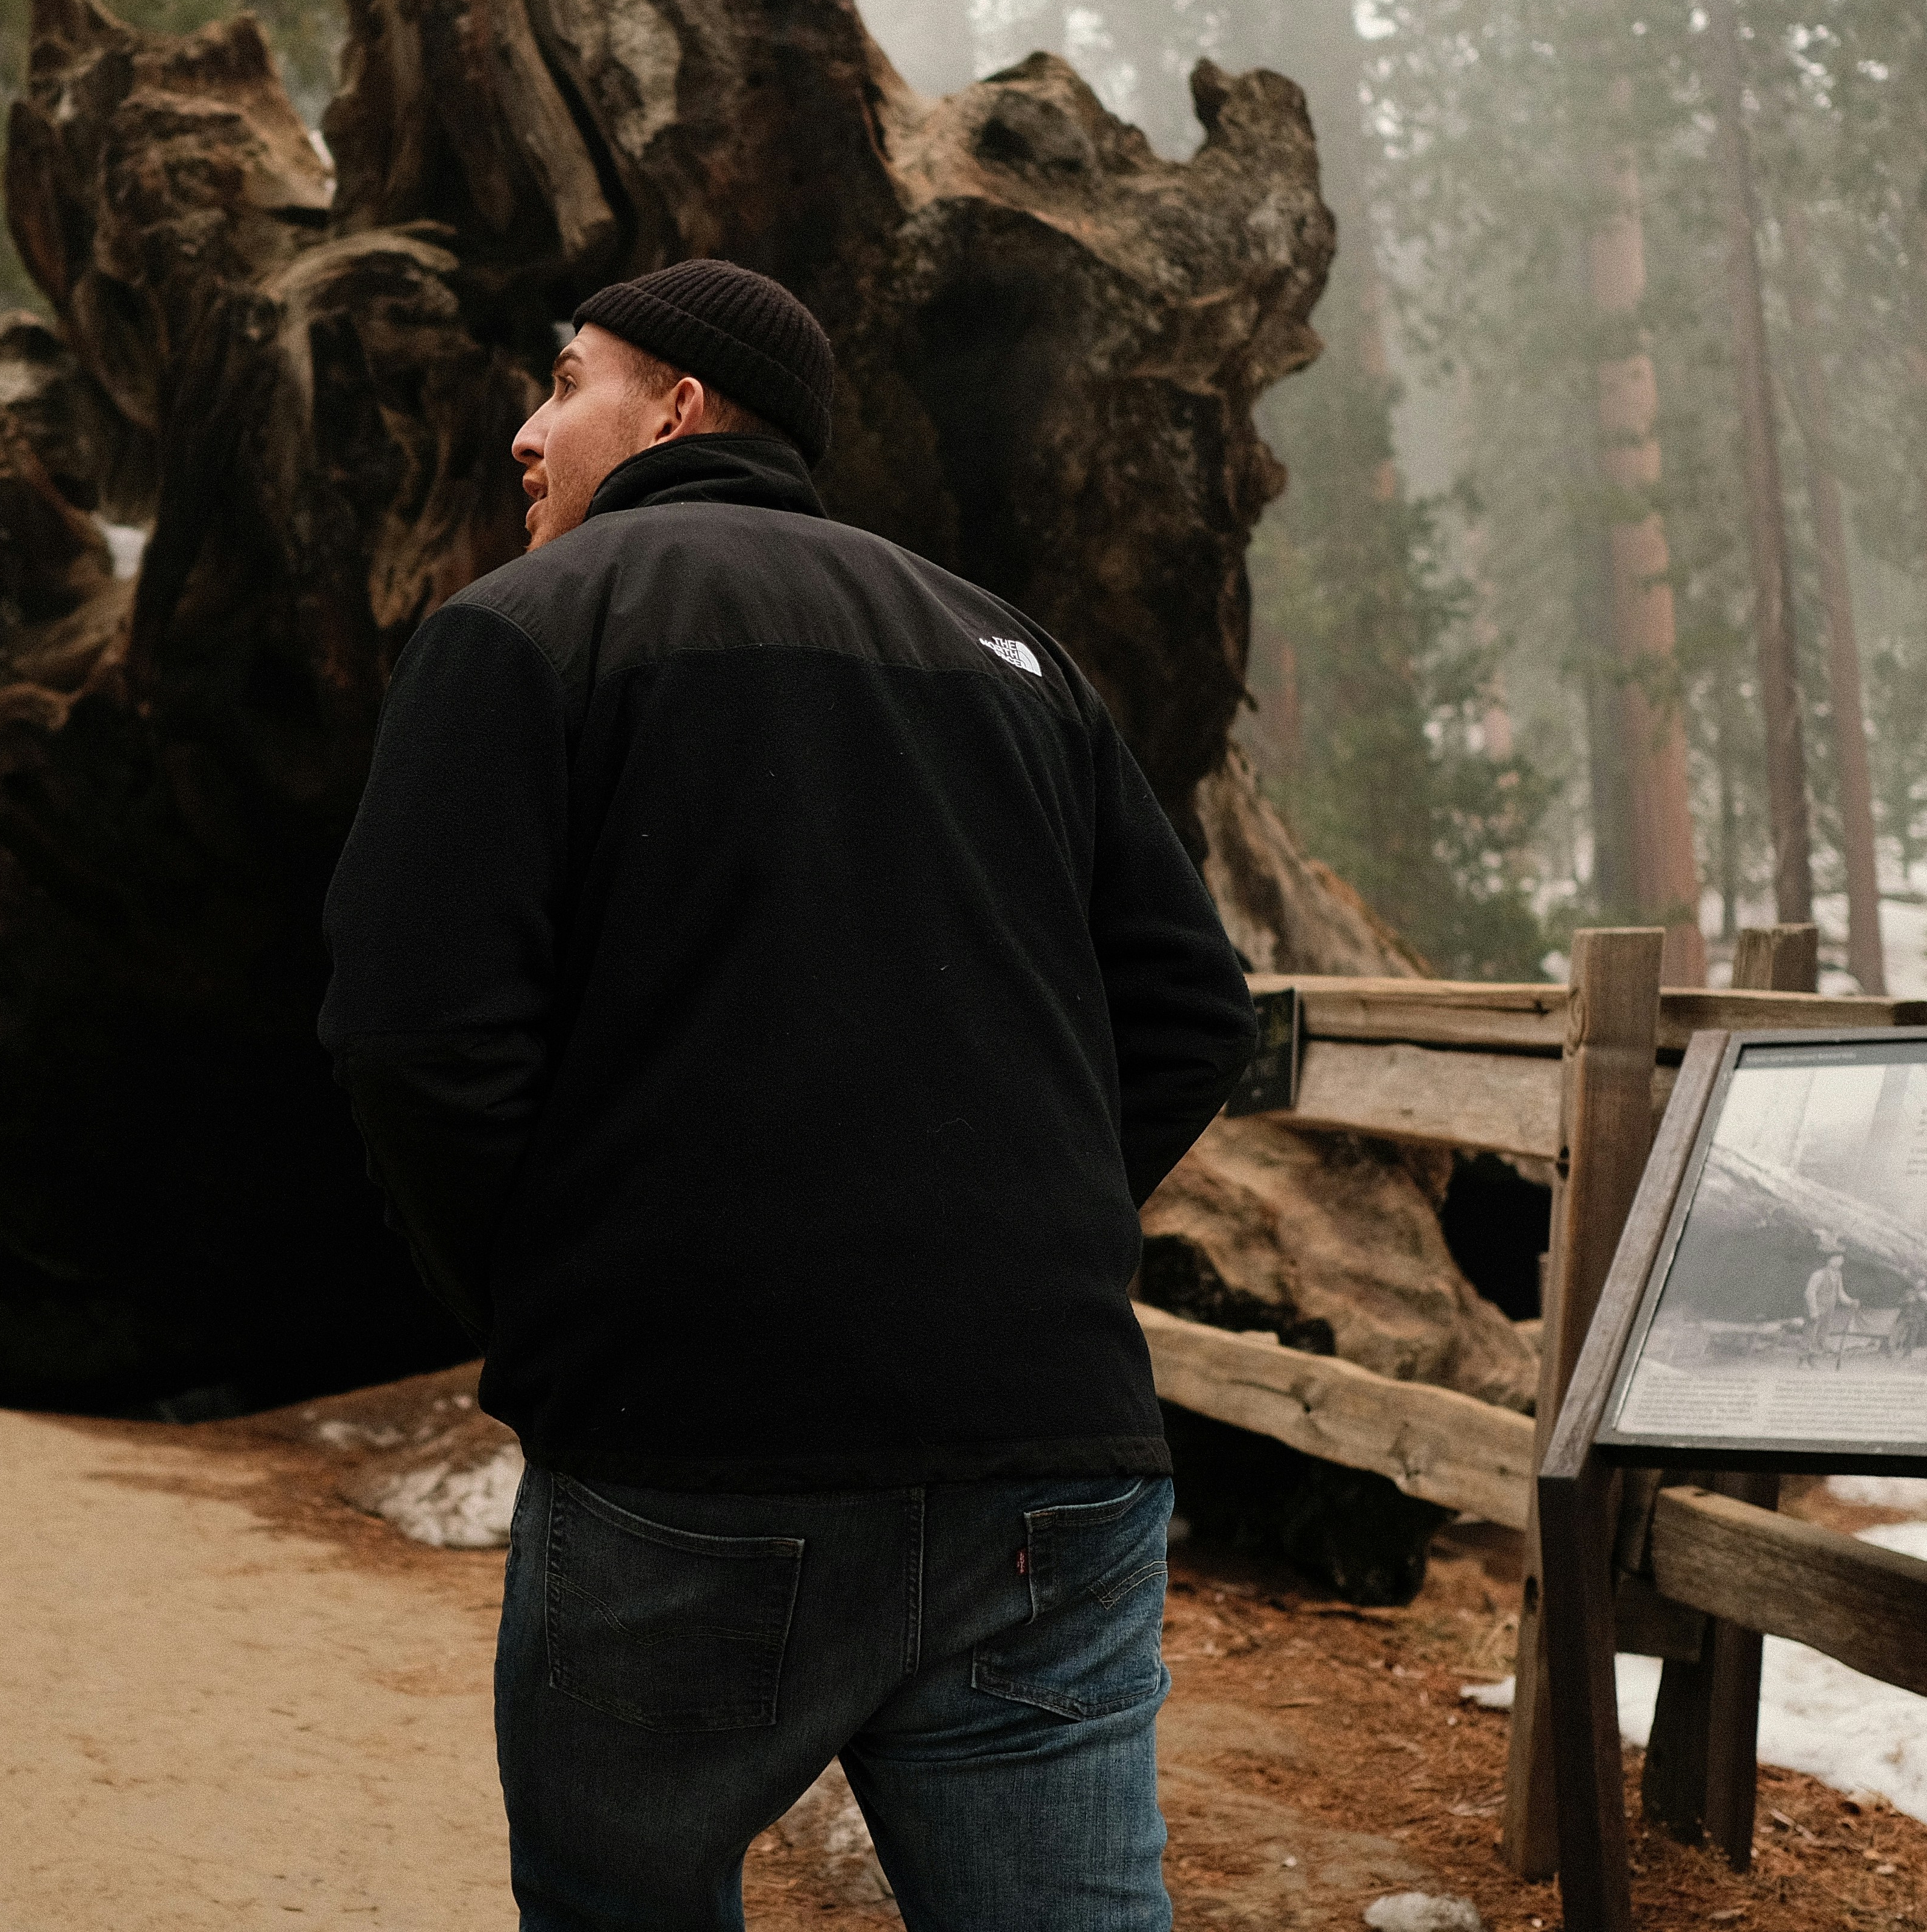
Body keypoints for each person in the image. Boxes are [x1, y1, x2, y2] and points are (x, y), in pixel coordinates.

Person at [320, 259, 1257, 1932]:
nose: (527, 435)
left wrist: (556, 1303)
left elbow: (411, 1034)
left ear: (680, 405)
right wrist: (1015, 1251)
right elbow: (1192, 1011)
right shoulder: (1010, 654)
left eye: (565, 385)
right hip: (1046, 1458)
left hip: (690, 1449)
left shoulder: (522, 632)